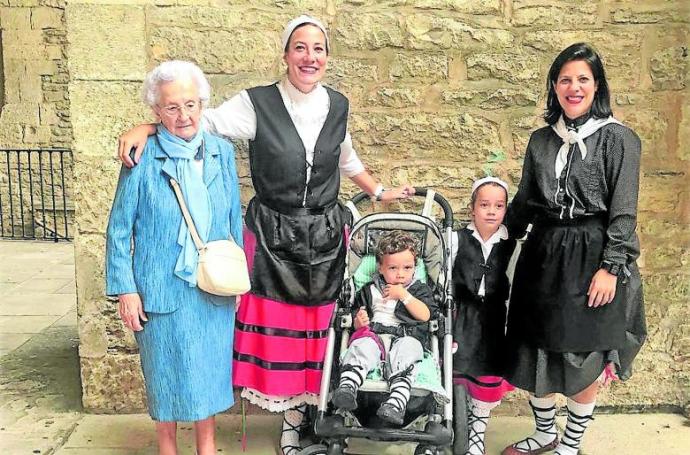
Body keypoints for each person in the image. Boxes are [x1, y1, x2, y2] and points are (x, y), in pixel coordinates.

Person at [115, 15, 413, 454]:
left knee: (321, 331)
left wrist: (380, 191)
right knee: (284, 331)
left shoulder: (338, 105)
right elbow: (200, 120)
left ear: (327, 57)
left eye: (318, 49)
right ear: (286, 54)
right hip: (274, 237)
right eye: (300, 48)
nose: (309, 57)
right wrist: (148, 127)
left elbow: (346, 157)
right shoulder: (256, 103)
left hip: (325, 236)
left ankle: (316, 419)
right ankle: (290, 424)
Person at [502, 43, 646, 455]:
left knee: (583, 354)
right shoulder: (541, 141)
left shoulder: (619, 140)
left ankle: (571, 443)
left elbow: (623, 211)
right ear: (554, 86)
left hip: (591, 257)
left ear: (596, 85)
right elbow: (527, 200)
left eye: (583, 78)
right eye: (565, 79)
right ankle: (545, 433)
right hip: (544, 254)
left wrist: (611, 267)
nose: (574, 86)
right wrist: (496, 236)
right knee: (535, 348)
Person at [105, 60, 243, 455]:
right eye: (171, 107)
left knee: (210, 374)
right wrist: (125, 290)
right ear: (155, 111)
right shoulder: (141, 156)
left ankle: (207, 447)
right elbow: (118, 229)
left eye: (190, 104)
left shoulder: (221, 152)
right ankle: (168, 448)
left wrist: (238, 277)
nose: (183, 116)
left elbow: (233, 216)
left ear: (202, 104)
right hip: (159, 286)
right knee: (164, 373)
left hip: (212, 284)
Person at [332, 230, 437, 426]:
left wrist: (403, 296)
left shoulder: (419, 289)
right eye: (393, 268)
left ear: (415, 267)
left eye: (407, 267)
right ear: (380, 268)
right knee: (361, 346)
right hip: (375, 336)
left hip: (406, 336)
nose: (400, 274)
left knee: (407, 352)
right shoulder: (369, 289)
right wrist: (358, 321)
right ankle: (348, 387)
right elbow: (357, 312)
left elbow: (426, 315)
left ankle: (395, 403)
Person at [451, 177, 516, 455]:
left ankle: (477, 431)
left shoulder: (512, 244)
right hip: (462, 314)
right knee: (457, 365)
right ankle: (455, 424)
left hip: (494, 318)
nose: (491, 211)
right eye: (484, 204)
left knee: (488, 372)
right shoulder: (455, 238)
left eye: (498, 206)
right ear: (472, 208)